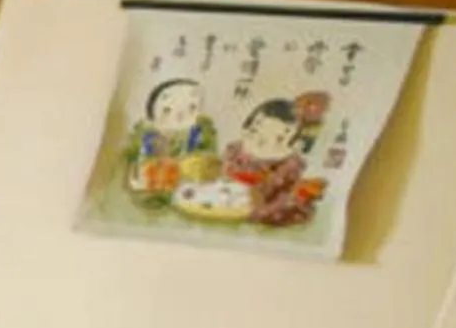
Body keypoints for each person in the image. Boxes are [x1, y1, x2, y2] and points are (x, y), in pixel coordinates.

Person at [224, 98, 324, 228]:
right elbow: (226, 172)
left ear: (285, 134)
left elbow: (284, 195)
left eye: (262, 126)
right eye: (255, 124)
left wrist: (258, 207)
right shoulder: (237, 149)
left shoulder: (288, 163)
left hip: (272, 205)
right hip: (234, 199)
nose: (256, 128)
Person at [124, 75, 220, 202]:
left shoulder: (198, 132)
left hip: (189, 188)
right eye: (167, 110)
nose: (180, 115)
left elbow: (207, 160)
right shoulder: (148, 135)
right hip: (156, 185)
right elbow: (139, 165)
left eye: (192, 108)